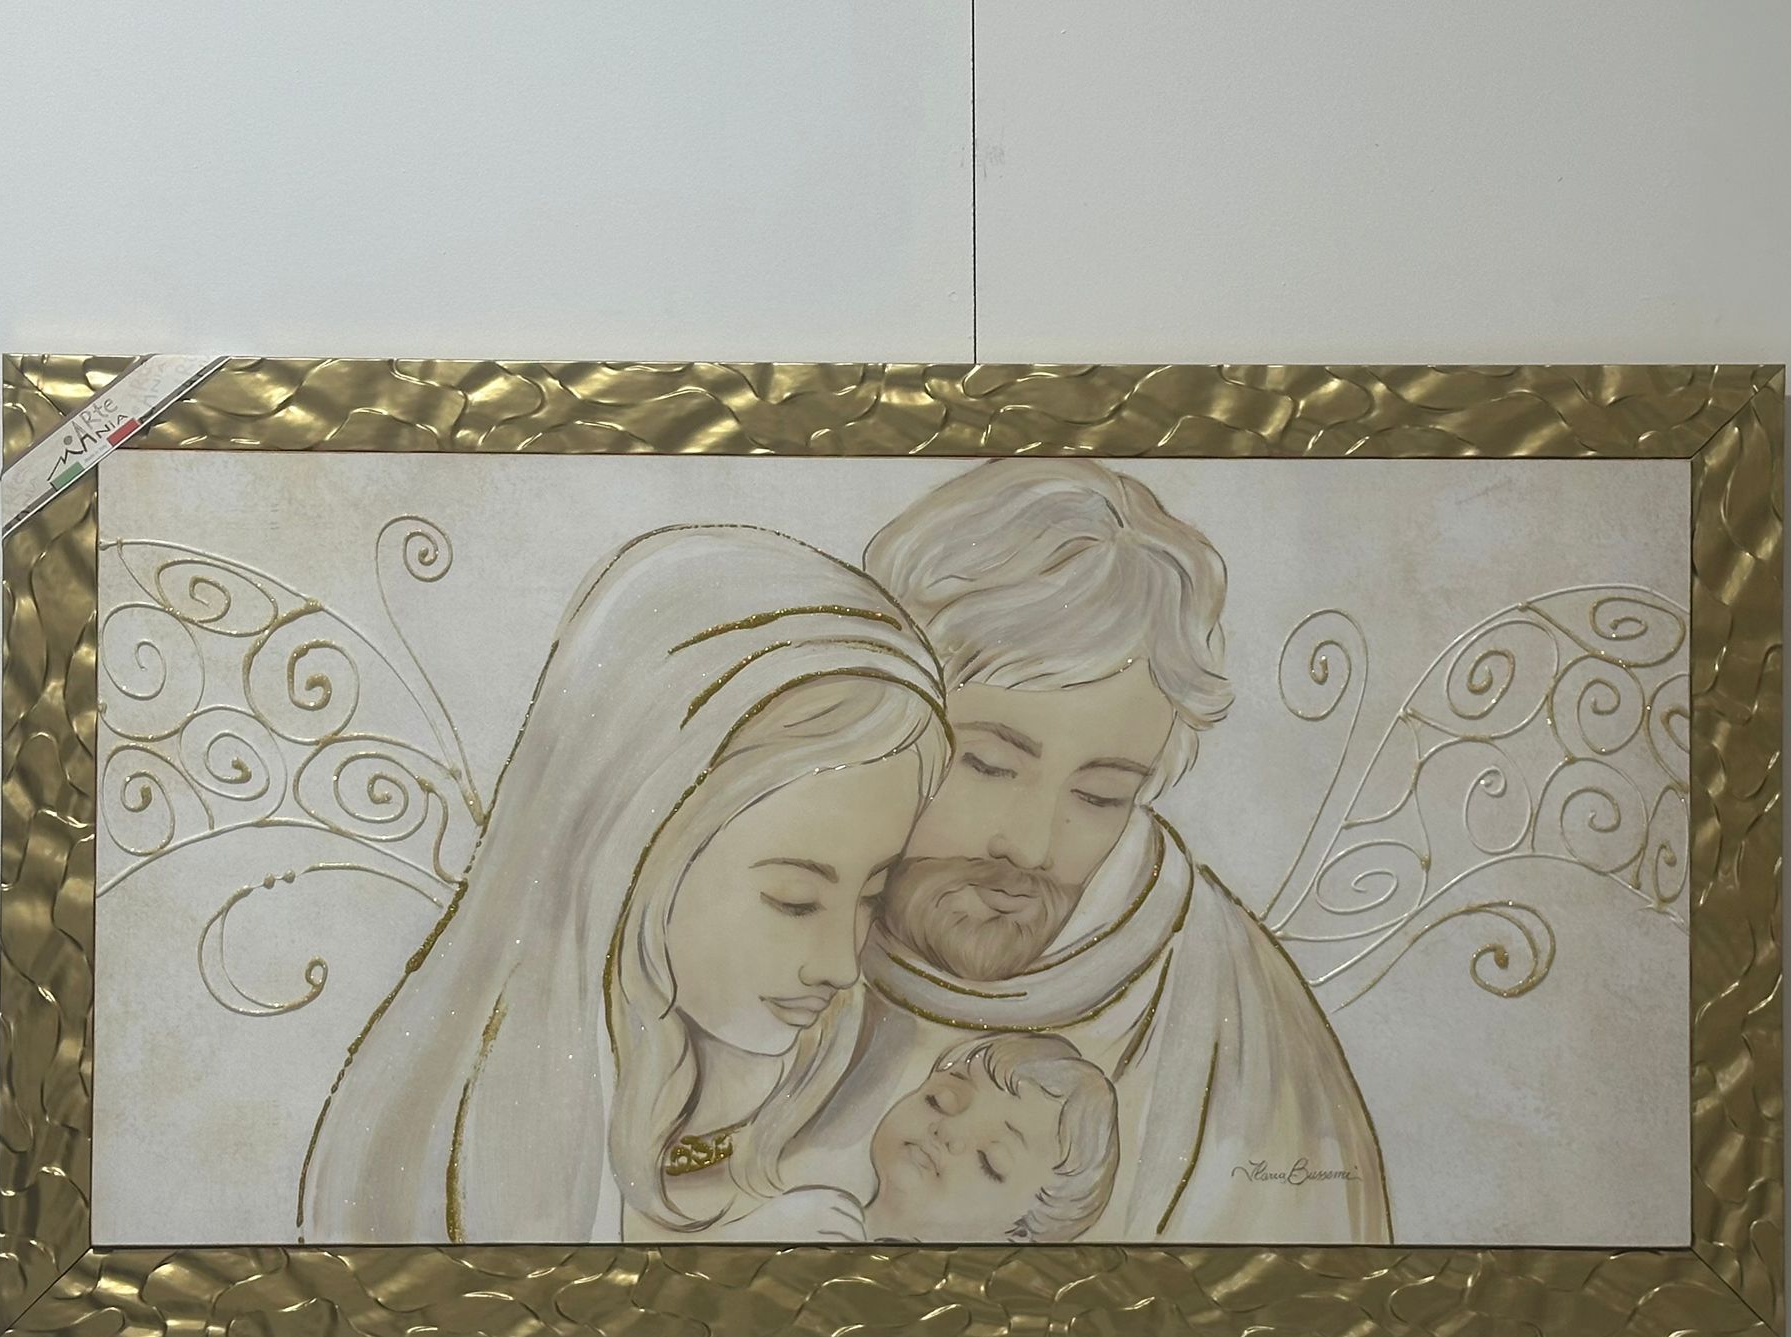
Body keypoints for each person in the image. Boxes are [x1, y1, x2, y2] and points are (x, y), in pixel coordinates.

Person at [787, 458, 1392, 1244]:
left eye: (1101, 796)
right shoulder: (765, 897)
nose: (1031, 847)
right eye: (989, 765)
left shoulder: (1232, 1027)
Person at [297, 523, 950, 1244]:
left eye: (870, 898)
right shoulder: (492, 1120)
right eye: (794, 901)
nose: (839, 965)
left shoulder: (858, 1092)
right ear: (634, 847)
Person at [707, 1032, 1120, 1244]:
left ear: (1019, 1233)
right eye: (940, 1100)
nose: (947, 1132)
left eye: (991, 1161)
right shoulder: (809, 1218)